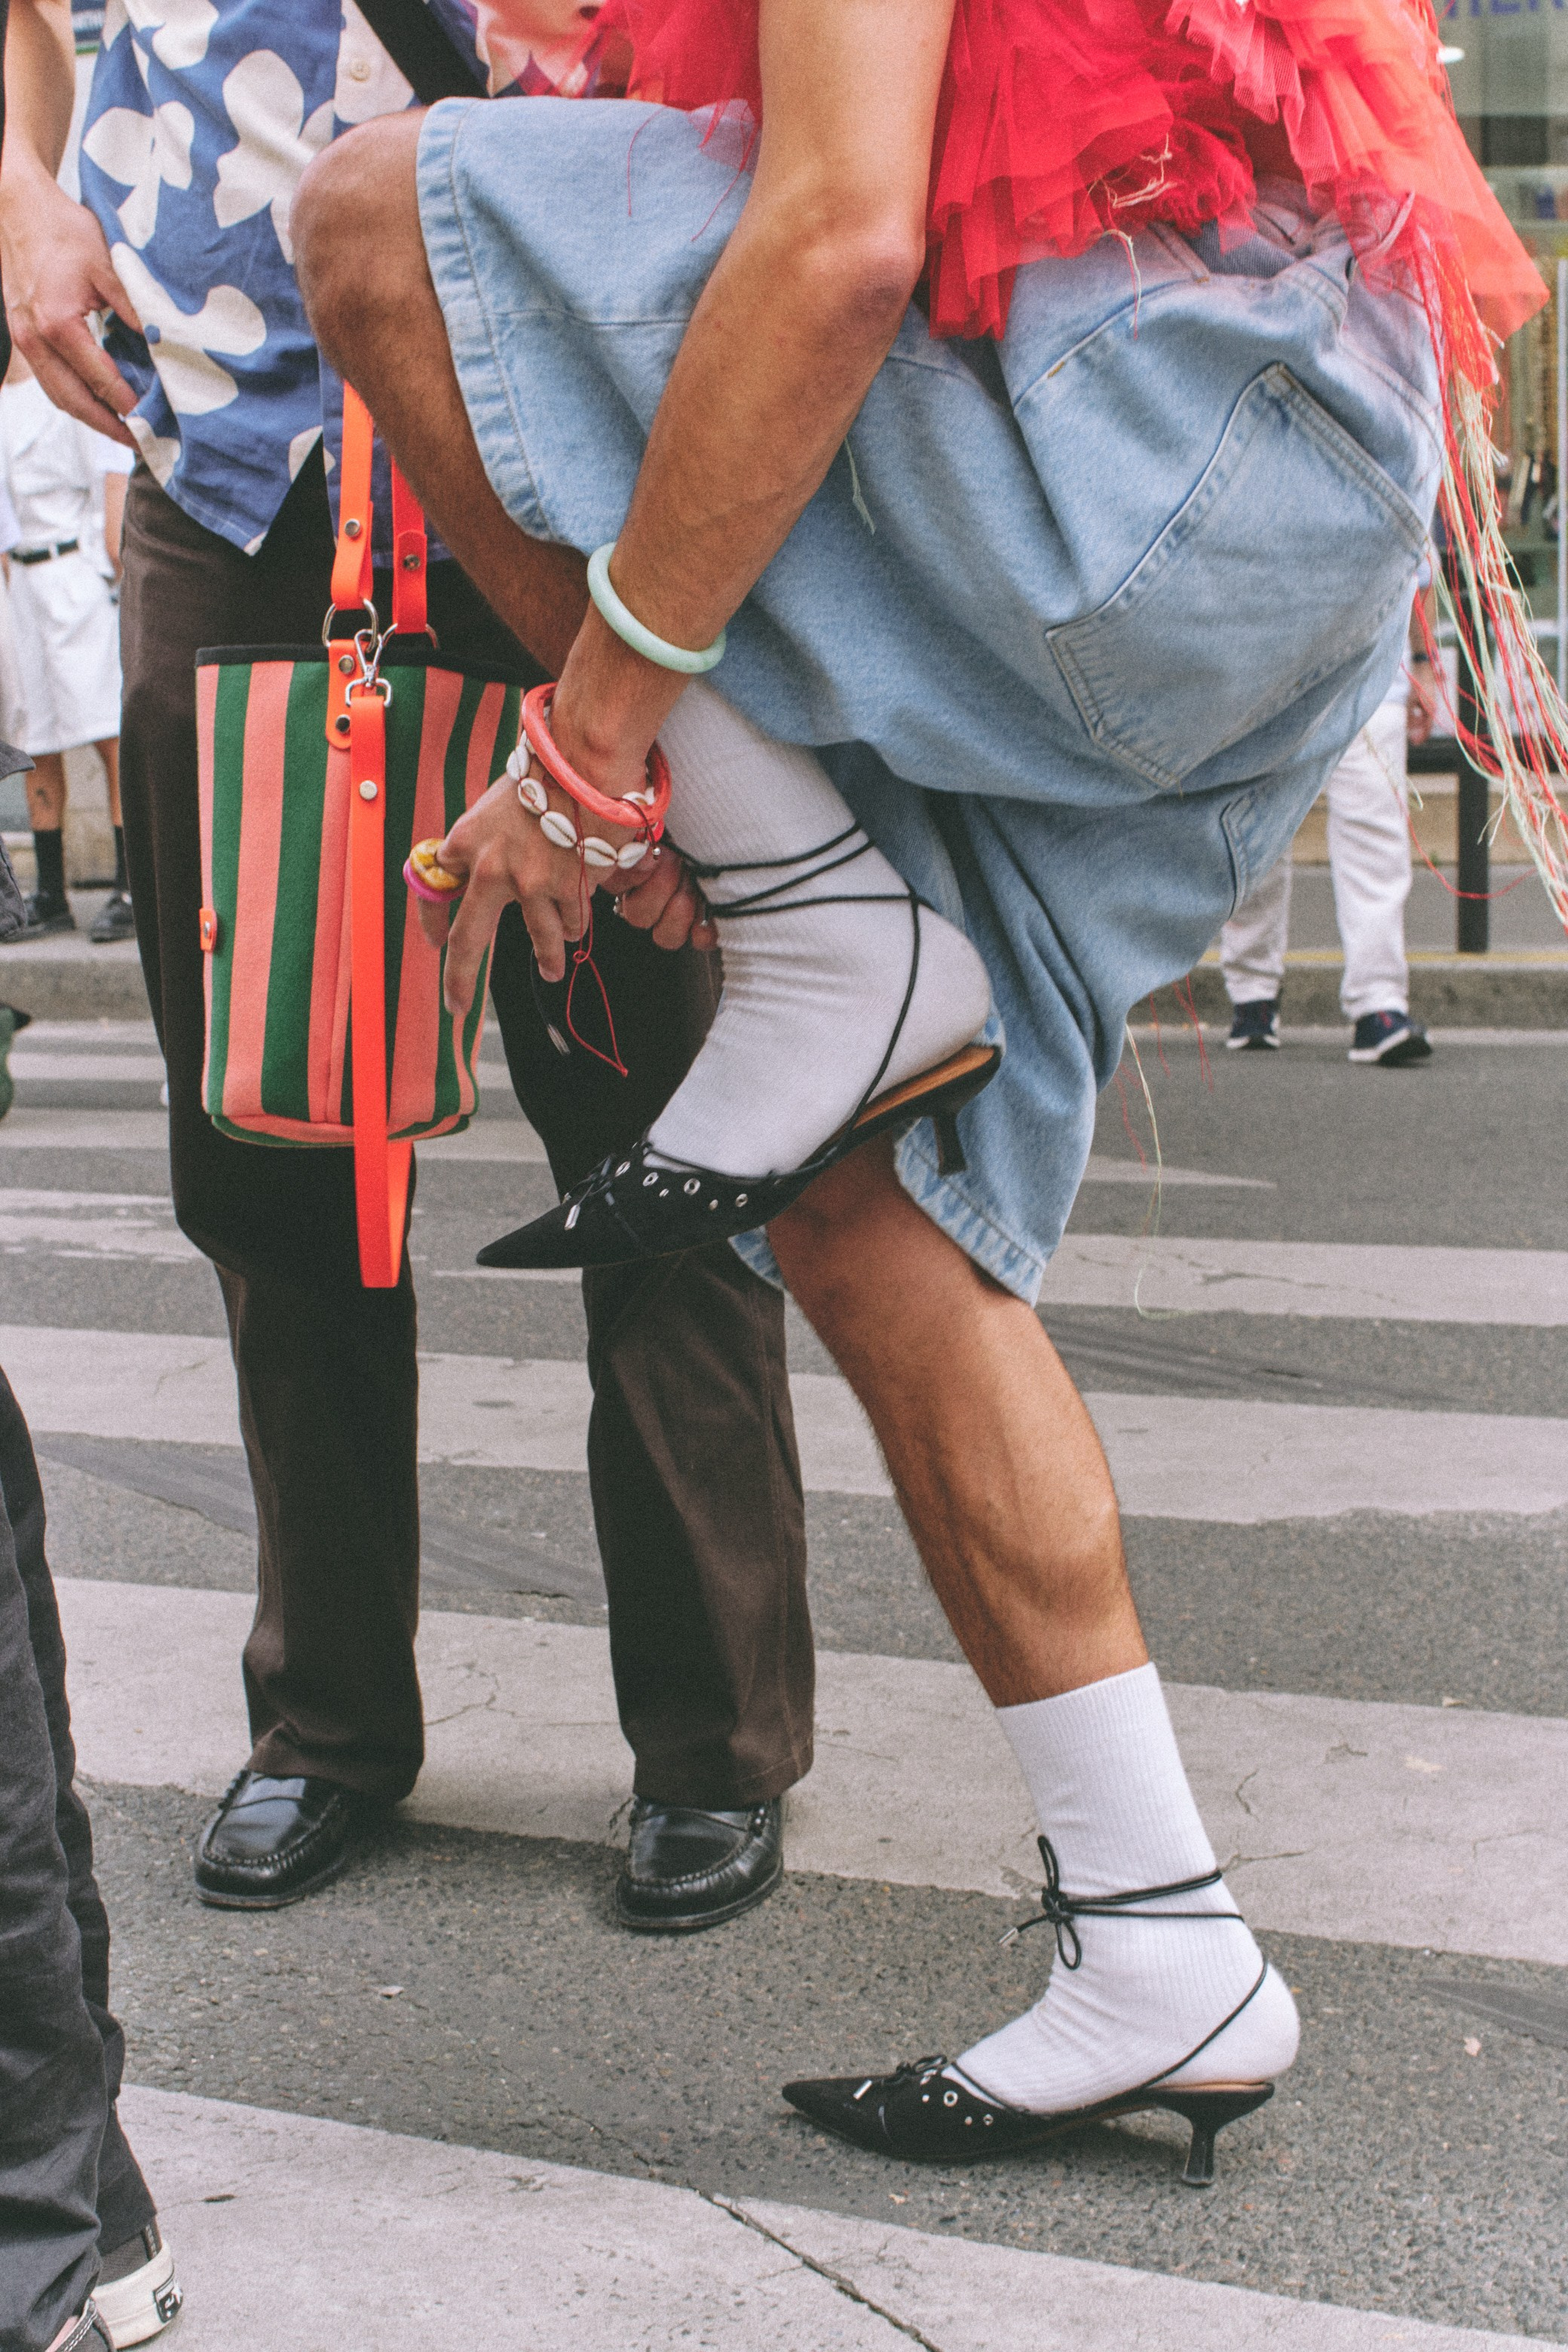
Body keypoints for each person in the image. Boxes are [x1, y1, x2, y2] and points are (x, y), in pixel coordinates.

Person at [296, 0, 1557, 2179]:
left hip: (1145, 441)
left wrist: (597, 762)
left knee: (379, 219)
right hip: (1241, 473)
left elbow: (847, 236)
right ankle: (1164, 1940)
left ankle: (803, 904)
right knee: (861, 1195)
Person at [0, 0, 813, 1935]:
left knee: (657, 1134)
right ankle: (330, 1719)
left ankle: (714, 1736)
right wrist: (23, 194)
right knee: (275, 1135)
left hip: (544, 458)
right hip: (228, 488)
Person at [1220, 580, 1439, 1063]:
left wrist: (1423, 663)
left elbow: (1419, 572)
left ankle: (1379, 1004)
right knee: (1258, 837)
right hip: (1265, 677)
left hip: (1373, 679)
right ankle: (1252, 991)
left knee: (1376, 840)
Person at [0, 345, 133, 945]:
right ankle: (50, 892)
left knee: (108, 729)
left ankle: (130, 883)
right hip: (19, 583)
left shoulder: (64, 382)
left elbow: (105, 483)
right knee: (34, 737)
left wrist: (112, 571)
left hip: (74, 574)